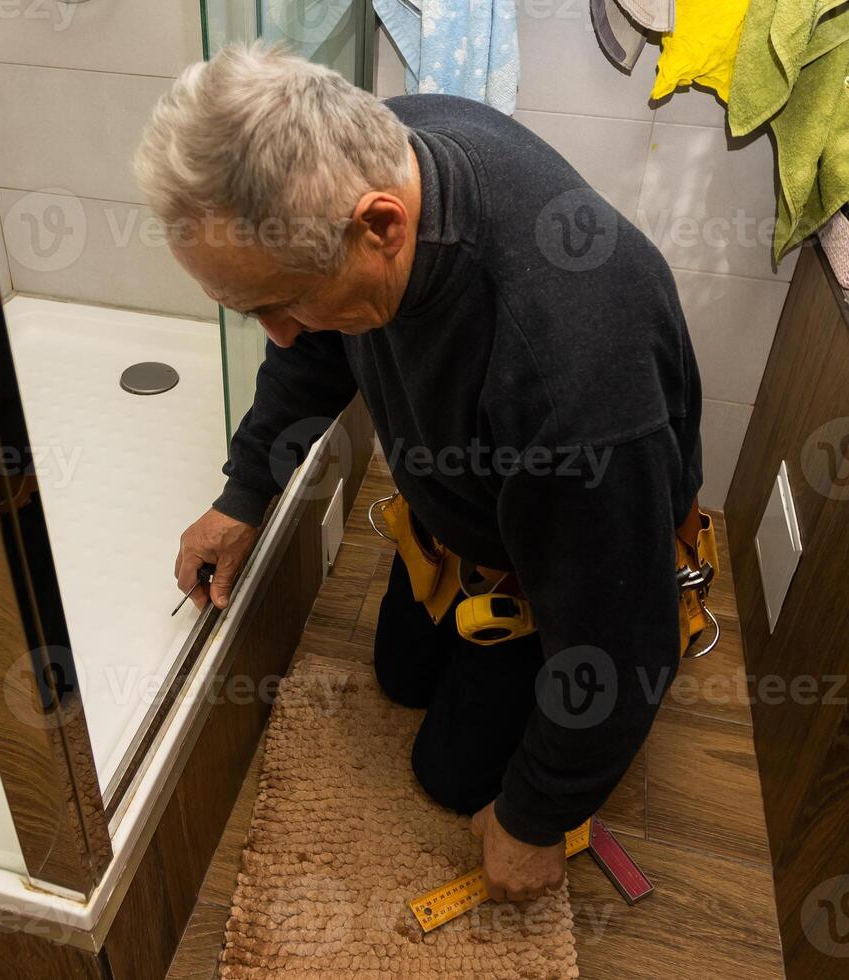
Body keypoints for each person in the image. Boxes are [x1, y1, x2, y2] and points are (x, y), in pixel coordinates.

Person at [135, 43, 703, 904]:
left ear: (382, 226)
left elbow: (623, 642)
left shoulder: (572, 379)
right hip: (470, 507)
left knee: (450, 777)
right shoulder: (378, 153)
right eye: (252, 310)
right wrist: (245, 492)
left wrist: (536, 818)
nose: (280, 335)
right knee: (401, 675)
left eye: (280, 304)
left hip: (571, 565)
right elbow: (310, 354)